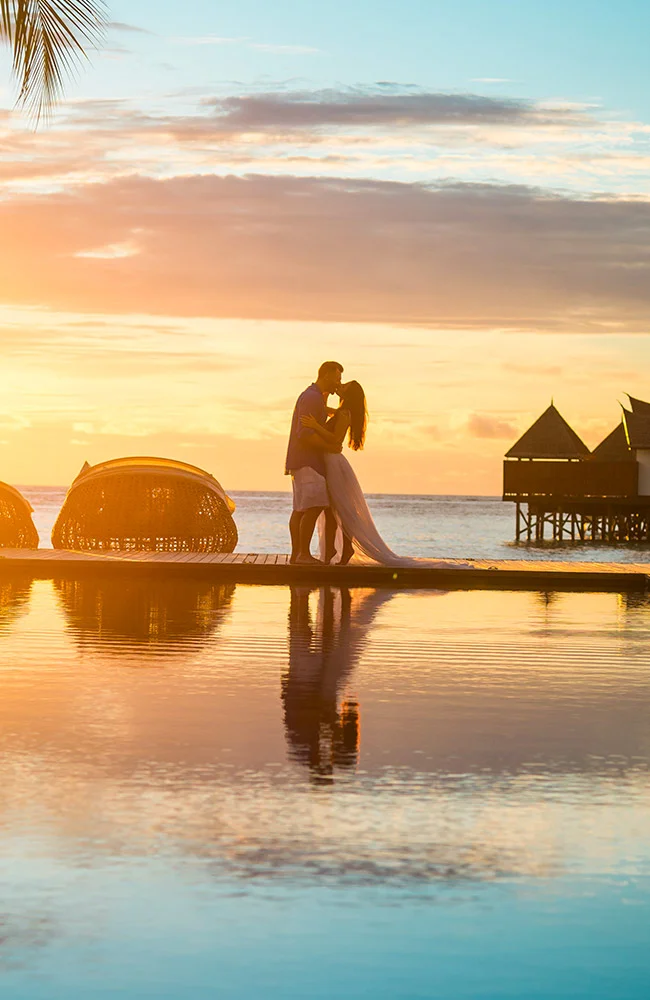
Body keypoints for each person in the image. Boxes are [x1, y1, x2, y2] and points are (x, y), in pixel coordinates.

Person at [302, 381, 471, 567]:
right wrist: (323, 406)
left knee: (340, 508)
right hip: (330, 462)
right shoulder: (342, 411)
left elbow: (336, 439)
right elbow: (334, 415)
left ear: (348, 396)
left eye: (344, 387)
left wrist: (316, 427)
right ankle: (332, 551)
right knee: (331, 509)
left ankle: (342, 550)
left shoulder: (344, 413)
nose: (339, 386)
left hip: (334, 463)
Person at [285, 361, 343, 564]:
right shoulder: (312, 397)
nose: (339, 382)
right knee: (314, 506)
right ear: (326, 375)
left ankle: (297, 555)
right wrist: (330, 446)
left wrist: (328, 410)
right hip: (308, 460)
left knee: (301, 508)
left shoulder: (314, 397)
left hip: (300, 460)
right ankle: (303, 554)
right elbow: (305, 433)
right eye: (337, 378)